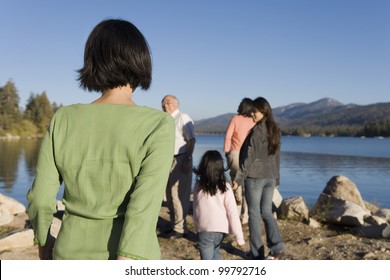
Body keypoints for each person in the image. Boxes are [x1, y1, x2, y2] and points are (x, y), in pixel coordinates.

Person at [26, 19, 175, 260]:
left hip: (68, 253)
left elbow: (42, 198)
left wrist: (44, 241)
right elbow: (143, 210)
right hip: (130, 258)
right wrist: (126, 259)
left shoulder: (63, 118)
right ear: (141, 61)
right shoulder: (158, 124)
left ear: (93, 61)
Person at [233, 97, 285, 260]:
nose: (252, 115)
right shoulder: (275, 129)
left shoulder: (257, 131)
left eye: (254, 112)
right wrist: (277, 178)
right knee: (266, 212)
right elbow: (277, 156)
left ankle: (257, 253)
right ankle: (277, 248)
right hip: (270, 175)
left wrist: (238, 179)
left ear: (264, 111)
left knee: (254, 214)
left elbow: (249, 158)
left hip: (255, 177)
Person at [193, 150, 245, 260]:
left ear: (203, 167)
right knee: (216, 252)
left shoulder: (198, 186)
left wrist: (197, 226)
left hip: (205, 231)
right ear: (220, 168)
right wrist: (239, 238)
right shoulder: (225, 187)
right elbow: (233, 213)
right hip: (221, 231)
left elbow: (196, 208)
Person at [161, 95, 196, 239]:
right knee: (169, 194)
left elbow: (191, 139)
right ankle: (173, 225)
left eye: (168, 102)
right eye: (163, 102)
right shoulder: (165, 119)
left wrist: (188, 158)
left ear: (176, 104)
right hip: (167, 159)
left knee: (178, 195)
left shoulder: (182, 117)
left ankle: (180, 228)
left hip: (180, 158)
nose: (164, 105)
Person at [224, 98, 255, 224]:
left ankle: (235, 212)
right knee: (247, 185)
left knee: (235, 181)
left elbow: (228, 136)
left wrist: (226, 151)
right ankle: (245, 217)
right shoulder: (254, 120)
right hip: (249, 155)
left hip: (235, 153)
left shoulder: (236, 119)